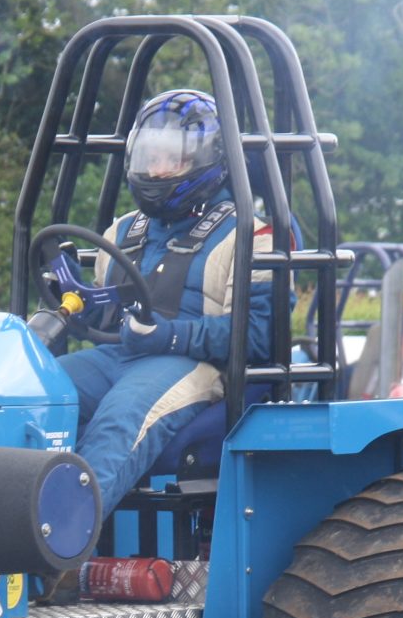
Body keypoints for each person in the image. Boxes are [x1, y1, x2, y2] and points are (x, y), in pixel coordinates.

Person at [60, 88, 274, 518]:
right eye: (150, 159)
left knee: (120, 419)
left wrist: (168, 336)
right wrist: (74, 296)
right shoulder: (122, 230)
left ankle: (59, 543)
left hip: (194, 364)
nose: (157, 171)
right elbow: (101, 316)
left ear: (204, 160)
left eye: (170, 160)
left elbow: (258, 336)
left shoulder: (250, 234)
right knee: (31, 392)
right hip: (117, 355)